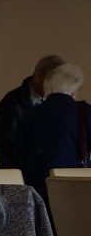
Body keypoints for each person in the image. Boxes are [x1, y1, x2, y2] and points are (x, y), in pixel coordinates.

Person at [18, 63, 91, 206]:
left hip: (37, 192)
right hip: (77, 189)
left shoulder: (30, 116)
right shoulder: (85, 112)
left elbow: (19, 159)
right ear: (74, 90)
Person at [0, 55, 64, 169]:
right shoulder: (12, 103)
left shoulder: (52, 102)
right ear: (39, 77)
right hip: (21, 175)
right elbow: (7, 146)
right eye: (53, 81)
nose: (56, 86)